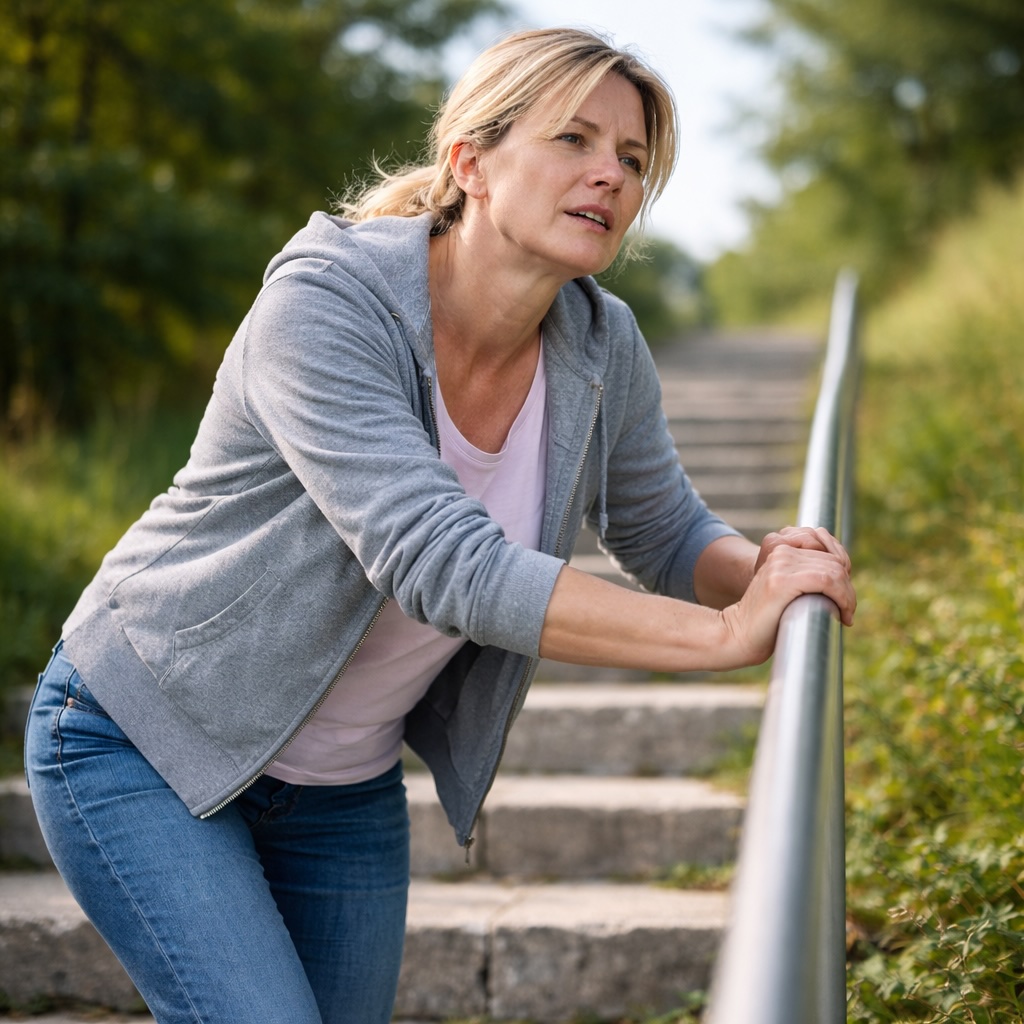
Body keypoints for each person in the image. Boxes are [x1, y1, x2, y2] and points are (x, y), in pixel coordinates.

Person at [24, 26, 856, 1024]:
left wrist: (769, 571)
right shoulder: (328, 298)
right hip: (142, 733)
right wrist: (723, 637)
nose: (609, 176)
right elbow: (436, 558)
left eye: (632, 160)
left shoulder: (601, 341)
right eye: (574, 141)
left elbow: (662, 526)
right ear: (470, 161)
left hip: (343, 790)